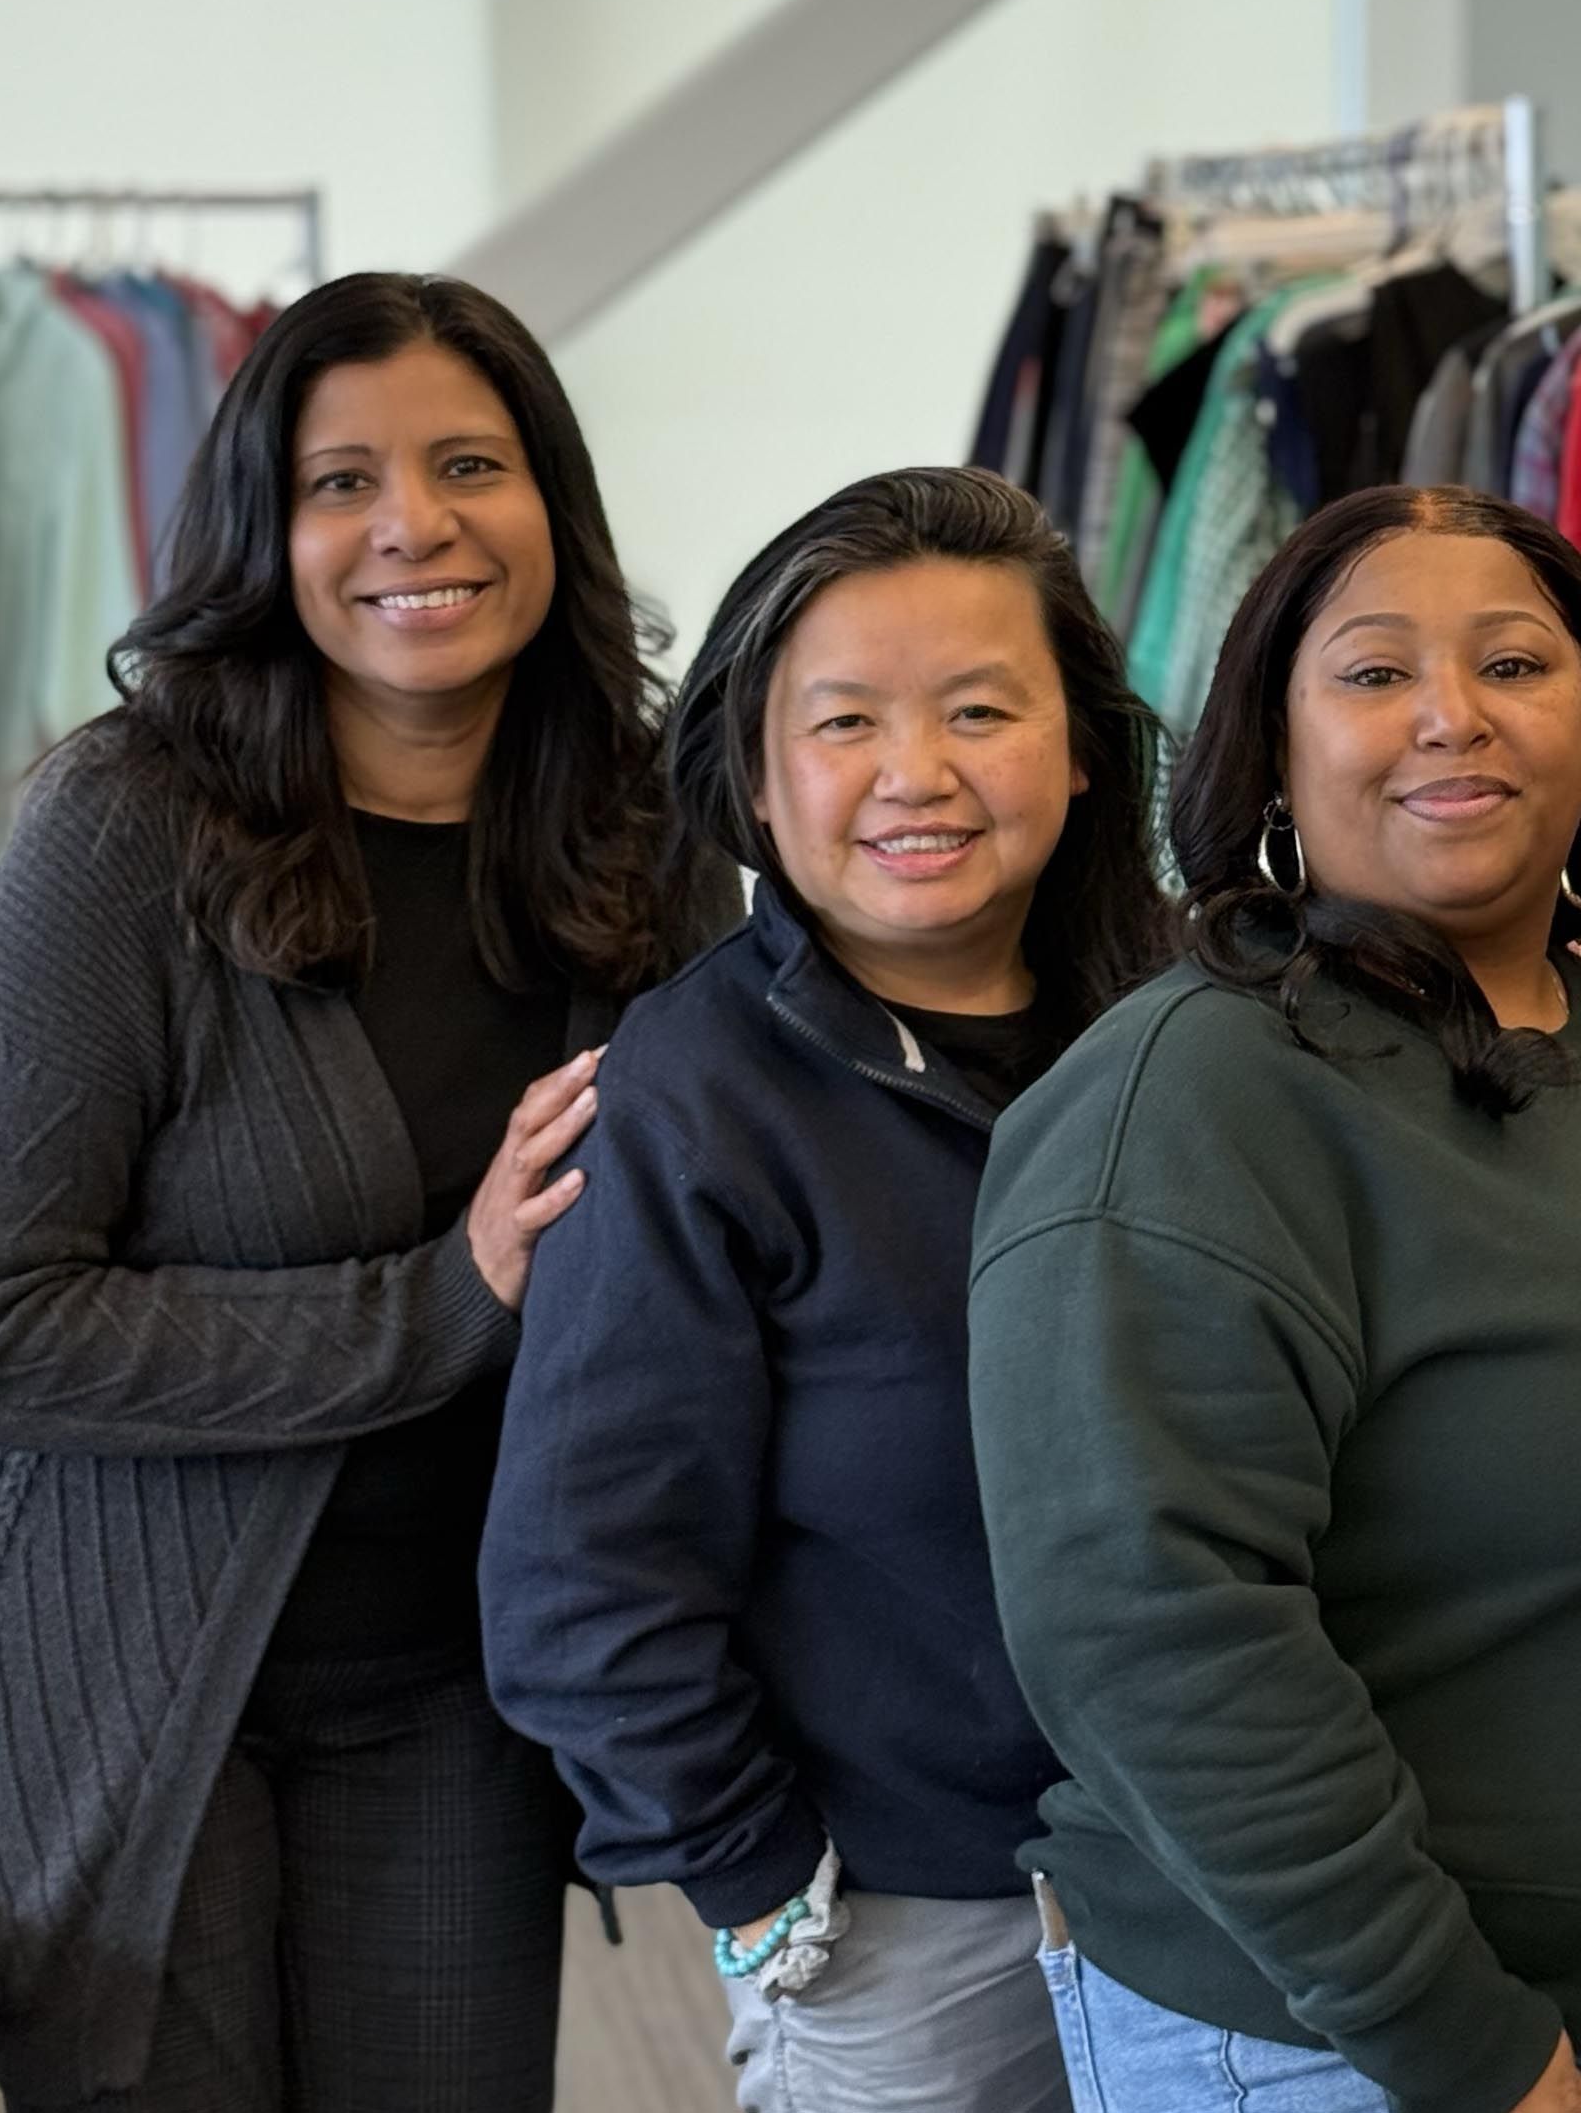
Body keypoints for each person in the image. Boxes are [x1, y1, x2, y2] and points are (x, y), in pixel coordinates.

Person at [0, 271, 734, 2111]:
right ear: (264, 534)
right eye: (341, 480)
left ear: (550, 510)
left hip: (448, 1674)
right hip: (108, 1672)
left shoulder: (650, 843)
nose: (411, 522)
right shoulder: (128, 827)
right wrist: (444, 1297)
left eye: (467, 464)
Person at [967, 483, 1581, 2113]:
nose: (1451, 719)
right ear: (1267, 745)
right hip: (1361, 2046)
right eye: (1375, 672)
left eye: (1515, 667)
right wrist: (1463, 2046)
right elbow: (1151, 1624)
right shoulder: (1198, 1097)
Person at [479, 468, 1175, 2113]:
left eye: (979, 710)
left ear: (1080, 751)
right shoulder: (689, 1098)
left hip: (1225, 1889)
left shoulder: (1191, 1032)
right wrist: (758, 1886)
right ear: (757, 775)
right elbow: (583, 1574)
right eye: (845, 721)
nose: (914, 774)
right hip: (907, 1925)